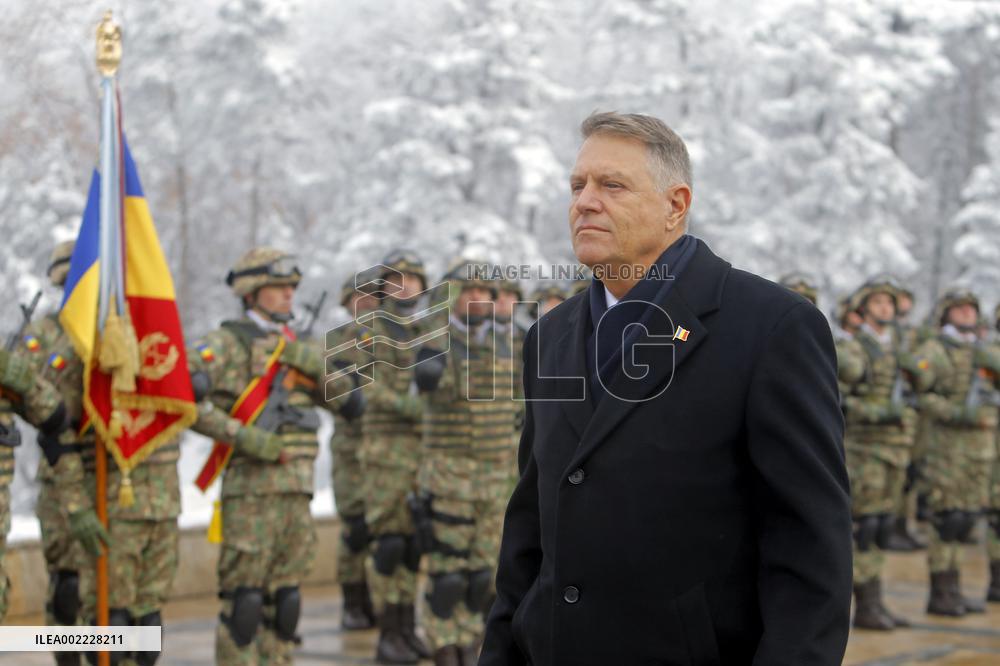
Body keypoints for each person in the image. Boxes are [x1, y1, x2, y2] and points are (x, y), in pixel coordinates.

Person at [481, 112, 852, 665]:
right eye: (577, 185)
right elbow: (532, 527)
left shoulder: (771, 327)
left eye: (611, 185)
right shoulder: (550, 336)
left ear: (675, 206)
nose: (584, 202)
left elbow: (809, 547)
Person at [189, 247, 362, 665]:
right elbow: (185, 398)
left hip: (297, 493)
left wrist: (310, 362)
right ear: (251, 293)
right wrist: (243, 438)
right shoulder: (227, 342)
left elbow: (354, 404)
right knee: (244, 606)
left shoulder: (300, 347)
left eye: (291, 287)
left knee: (286, 605)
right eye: (278, 287)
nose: (289, 295)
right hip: (251, 494)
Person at [411, 260, 518, 666]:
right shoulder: (434, 342)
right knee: (447, 575)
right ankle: (443, 643)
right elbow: (424, 380)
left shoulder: (510, 345)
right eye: (468, 291)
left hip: (495, 477)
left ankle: (472, 639)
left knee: (482, 575)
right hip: (450, 476)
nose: (478, 298)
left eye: (485, 293)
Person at [838, 277, 929, 630]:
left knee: (882, 527)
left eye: (889, 304)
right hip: (864, 449)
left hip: (896, 449)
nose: (885, 309)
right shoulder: (853, 351)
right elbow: (838, 397)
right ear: (863, 309)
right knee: (866, 526)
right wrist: (880, 413)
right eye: (877, 303)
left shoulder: (898, 350)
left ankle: (875, 602)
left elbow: (922, 381)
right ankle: (865, 604)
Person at [355, 251, 432, 664]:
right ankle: (388, 632)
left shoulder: (430, 328)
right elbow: (367, 389)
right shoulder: (367, 330)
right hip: (385, 454)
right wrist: (415, 408)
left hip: (422, 454)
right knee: (387, 544)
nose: (405, 287)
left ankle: (406, 626)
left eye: (413, 279)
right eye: (396, 280)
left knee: (411, 545)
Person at [915, 289, 999, 616]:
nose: (966, 314)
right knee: (946, 520)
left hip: (980, 451)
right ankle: (940, 592)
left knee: (966, 521)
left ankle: (956, 589)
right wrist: (955, 413)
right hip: (947, 450)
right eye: (959, 309)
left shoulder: (982, 351)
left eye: (971, 309)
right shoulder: (934, 350)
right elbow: (919, 393)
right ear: (947, 313)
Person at [329, 275, 378, 630]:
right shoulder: (338, 344)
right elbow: (335, 395)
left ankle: (378, 602)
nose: (366, 303)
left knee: (385, 530)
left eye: (371, 297)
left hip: (385, 450)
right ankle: (353, 601)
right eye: (358, 298)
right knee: (355, 528)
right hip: (351, 448)